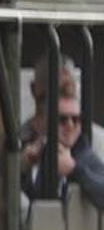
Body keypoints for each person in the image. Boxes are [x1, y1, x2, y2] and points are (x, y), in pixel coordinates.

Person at [21, 62, 104, 209]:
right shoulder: (42, 154)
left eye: (76, 119)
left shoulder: (85, 156)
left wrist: (74, 169)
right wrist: (23, 169)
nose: (70, 125)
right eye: (62, 119)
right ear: (44, 122)